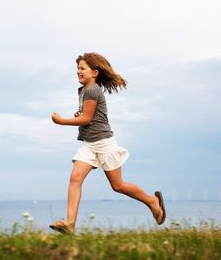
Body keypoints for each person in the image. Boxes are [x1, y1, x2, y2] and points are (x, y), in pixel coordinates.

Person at [49, 52, 166, 235]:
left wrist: (61, 121)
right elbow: (88, 115)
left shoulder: (93, 90)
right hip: (89, 144)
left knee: (117, 185)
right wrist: (79, 115)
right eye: (77, 68)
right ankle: (70, 223)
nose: (78, 71)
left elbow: (87, 119)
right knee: (75, 178)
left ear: (94, 72)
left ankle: (152, 202)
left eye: (82, 68)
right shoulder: (83, 91)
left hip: (104, 143)